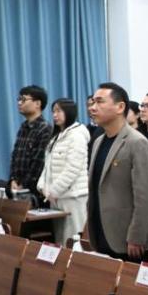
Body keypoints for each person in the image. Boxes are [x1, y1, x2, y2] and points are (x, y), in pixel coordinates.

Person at [85, 83, 148, 260]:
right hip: (101, 231)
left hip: (127, 239)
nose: (92, 107)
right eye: (92, 102)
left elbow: (146, 197)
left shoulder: (137, 142)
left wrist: (137, 236)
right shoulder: (98, 141)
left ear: (120, 107)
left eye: (100, 102)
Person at [36, 98, 89, 243]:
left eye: (59, 111)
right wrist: (42, 186)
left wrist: (53, 191)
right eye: (53, 111)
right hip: (55, 197)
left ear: (69, 112)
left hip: (73, 197)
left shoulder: (77, 136)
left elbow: (72, 169)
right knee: (60, 240)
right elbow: (47, 166)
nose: (55, 115)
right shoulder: (57, 136)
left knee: (73, 239)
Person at [8, 85, 52, 198]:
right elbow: (15, 157)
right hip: (17, 189)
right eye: (19, 99)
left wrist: (23, 185)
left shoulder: (45, 129)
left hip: (34, 191)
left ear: (37, 103)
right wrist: (13, 179)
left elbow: (39, 162)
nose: (19, 103)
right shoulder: (23, 127)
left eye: (23, 100)